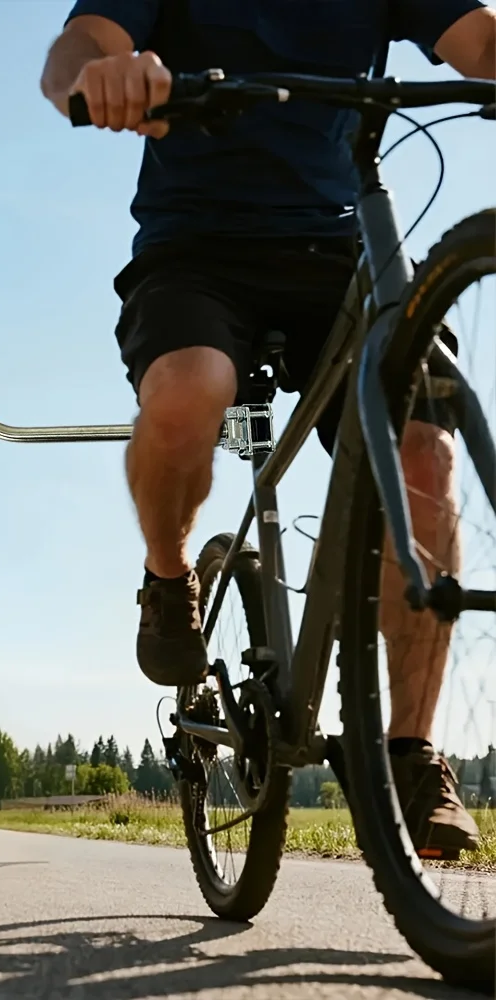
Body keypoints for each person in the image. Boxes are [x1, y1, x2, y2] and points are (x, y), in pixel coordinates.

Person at [40, 0, 495, 852]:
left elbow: (481, 43)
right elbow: (77, 48)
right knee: (187, 395)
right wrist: (101, 75)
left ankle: (409, 756)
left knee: (424, 454)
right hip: (196, 251)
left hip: (340, 250)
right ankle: (169, 578)